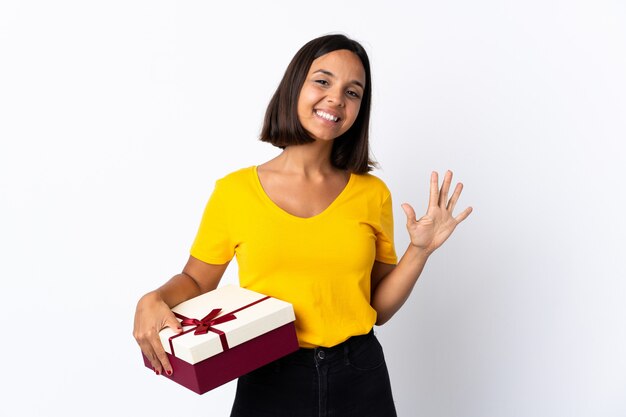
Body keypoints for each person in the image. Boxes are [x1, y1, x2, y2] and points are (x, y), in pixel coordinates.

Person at [133, 34, 472, 416]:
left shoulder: (372, 194)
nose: (336, 99)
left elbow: (377, 307)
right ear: (295, 86)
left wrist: (420, 250)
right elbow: (196, 281)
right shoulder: (234, 192)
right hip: (267, 372)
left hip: (360, 374)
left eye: (353, 92)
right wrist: (154, 298)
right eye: (323, 81)